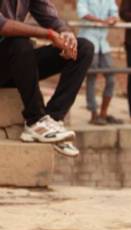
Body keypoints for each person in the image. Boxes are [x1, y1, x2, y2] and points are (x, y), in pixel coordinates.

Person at [0, 0, 94, 157]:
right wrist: (49, 34)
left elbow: (48, 14)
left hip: (16, 62)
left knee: (83, 48)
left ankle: (52, 120)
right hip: (8, 57)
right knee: (19, 42)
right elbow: (3, 26)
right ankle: (35, 120)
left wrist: (65, 32)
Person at [77, 0, 123, 125]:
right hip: (89, 39)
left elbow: (115, 13)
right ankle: (94, 114)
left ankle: (104, 113)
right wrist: (101, 21)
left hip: (103, 42)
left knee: (111, 78)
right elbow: (82, 13)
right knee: (92, 77)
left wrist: (113, 19)